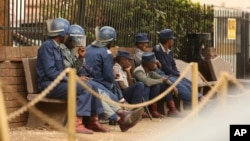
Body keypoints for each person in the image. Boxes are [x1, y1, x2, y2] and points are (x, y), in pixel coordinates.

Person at [62, 24, 144, 132]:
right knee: (101, 89)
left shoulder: (80, 50)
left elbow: (76, 68)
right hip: (74, 82)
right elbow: (108, 77)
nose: (77, 42)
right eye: (75, 39)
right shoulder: (105, 52)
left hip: (86, 79)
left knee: (97, 88)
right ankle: (120, 116)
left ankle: (120, 114)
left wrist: (81, 59)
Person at [36, 18, 105, 134]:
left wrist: (79, 63)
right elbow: (50, 73)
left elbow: (66, 70)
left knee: (91, 85)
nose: (68, 37)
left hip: (58, 83)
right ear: (62, 34)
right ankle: (76, 124)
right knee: (83, 88)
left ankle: (93, 121)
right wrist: (73, 80)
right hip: (48, 85)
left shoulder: (58, 47)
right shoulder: (47, 47)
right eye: (67, 34)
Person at [152, 29, 203, 105]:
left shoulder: (169, 52)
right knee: (180, 85)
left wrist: (178, 73)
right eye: (172, 39)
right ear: (168, 40)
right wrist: (176, 74)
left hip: (172, 74)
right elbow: (164, 67)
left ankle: (199, 98)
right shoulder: (158, 50)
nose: (173, 41)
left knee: (188, 82)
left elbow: (173, 65)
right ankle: (198, 100)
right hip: (163, 76)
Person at [133, 52, 180, 118]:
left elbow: (162, 78)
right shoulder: (138, 71)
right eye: (154, 63)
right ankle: (148, 110)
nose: (156, 64)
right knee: (157, 85)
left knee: (164, 85)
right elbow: (147, 82)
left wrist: (173, 86)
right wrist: (161, 81)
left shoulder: (150, 71)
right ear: (148, 64)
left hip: (148, 95)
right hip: (140, 96)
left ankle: (172, 108)